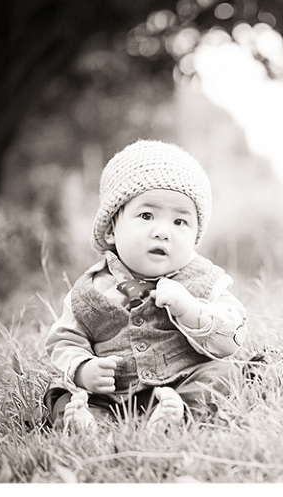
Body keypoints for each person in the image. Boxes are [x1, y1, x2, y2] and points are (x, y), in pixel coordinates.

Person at [43, 140, 246, 431]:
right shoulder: (93, 288)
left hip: (180, 383)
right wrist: (84, 370)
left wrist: (192, 310)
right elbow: (64, 340)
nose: (163, 232)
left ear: (195, 235)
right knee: (59, 393)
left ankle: (178, 414)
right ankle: (87, 423)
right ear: (112, 228)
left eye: (180, 221)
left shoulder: (202, 281)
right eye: (147, 216)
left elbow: (233, 334)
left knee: (223, 374)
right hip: (112, 395)